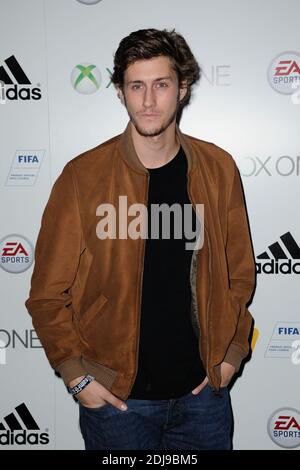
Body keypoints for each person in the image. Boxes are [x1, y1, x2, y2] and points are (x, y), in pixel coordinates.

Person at [25, 28, 256, 450]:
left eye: (161, 85)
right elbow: (46, 294)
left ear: (182, 89)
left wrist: (233, 350)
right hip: (117, 404)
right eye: (137, 86)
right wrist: (77, 376)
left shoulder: (218, 169)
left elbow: (238, 274)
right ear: (120, 92)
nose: (149, 101)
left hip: (204, 397)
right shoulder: (83, 177)